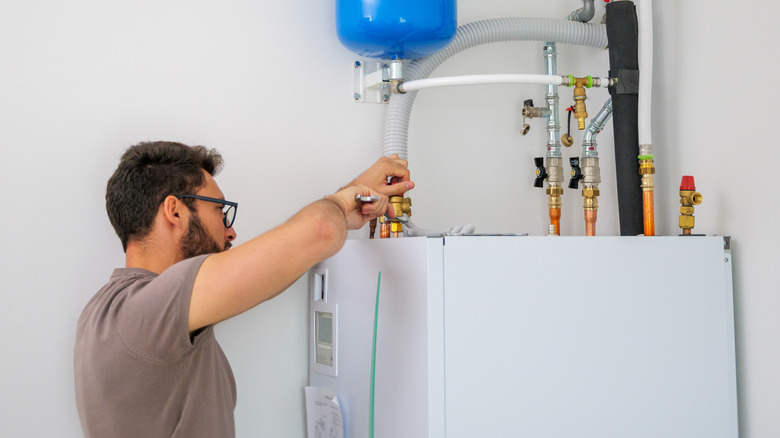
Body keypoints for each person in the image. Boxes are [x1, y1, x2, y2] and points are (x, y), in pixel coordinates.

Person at [74, 141, 413, 438]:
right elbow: (320, 229)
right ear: (175, 211)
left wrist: (351, 195)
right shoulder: (145, 310)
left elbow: (271, 271)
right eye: (220, 211)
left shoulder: (120, 313)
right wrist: (340, 203)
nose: (230, 232)